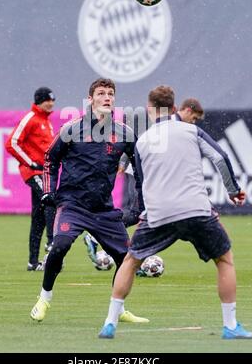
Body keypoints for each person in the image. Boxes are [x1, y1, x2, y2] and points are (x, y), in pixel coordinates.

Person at [98, 85, 252, 340]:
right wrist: (233, 190)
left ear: (150, 110)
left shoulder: (143, 141)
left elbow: (140, 180)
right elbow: (220, 157)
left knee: (130, 261)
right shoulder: (191, 130)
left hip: (158, 213)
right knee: (224, 260)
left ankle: (110, 323)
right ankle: (231, 325)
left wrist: (143, 211)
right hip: (195, 209)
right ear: (174, 108)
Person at [30, 78, 148, 323]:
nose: (107, 97)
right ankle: (44, 298)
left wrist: (141, 204)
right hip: (71, 204)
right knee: (60, 245)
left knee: (127, 259)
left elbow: (140, 170)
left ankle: (118, 310)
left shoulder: (124, 133)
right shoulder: (72, 129)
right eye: (101, 93)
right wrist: (48, 191)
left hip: (103, 210)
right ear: (91, 99)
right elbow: (50, 160)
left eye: (111, 93)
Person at [84, 97, 205, 270]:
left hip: (151, 175)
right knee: (139, 212)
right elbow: (139, 142)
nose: (193, 123)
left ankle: (131, 253)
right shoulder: (169, 124)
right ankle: (101, 234)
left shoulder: (174, 126)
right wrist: (124, 162)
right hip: (140, 173)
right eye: (193, 118)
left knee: (144, 213)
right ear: (186, 110)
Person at [5, 87, 56, 271]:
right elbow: (11, 142)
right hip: (34, 172)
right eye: (47, 100)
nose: (51, 103)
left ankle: (32, 262)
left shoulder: (46, 122)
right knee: (50, 199)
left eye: (52, 100)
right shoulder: (31, 118)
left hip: (44, 173)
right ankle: (52, 242)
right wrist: (30, 162)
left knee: (38, 216)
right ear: (39, 101)